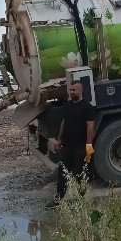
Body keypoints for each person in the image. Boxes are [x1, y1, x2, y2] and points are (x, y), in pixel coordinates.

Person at [45, 80, 95, 209]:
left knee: (79, 175)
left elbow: (90, 127)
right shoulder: (68, 105)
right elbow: (64, 122)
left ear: (80, 91)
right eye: (70, 90)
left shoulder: (87, 107)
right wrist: (60, 139)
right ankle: (58, 200)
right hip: (67, 147)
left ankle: (82, 200)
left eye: (74, 90)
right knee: (62, 174)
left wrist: (88, 145)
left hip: (80, 147)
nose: (71, 92)